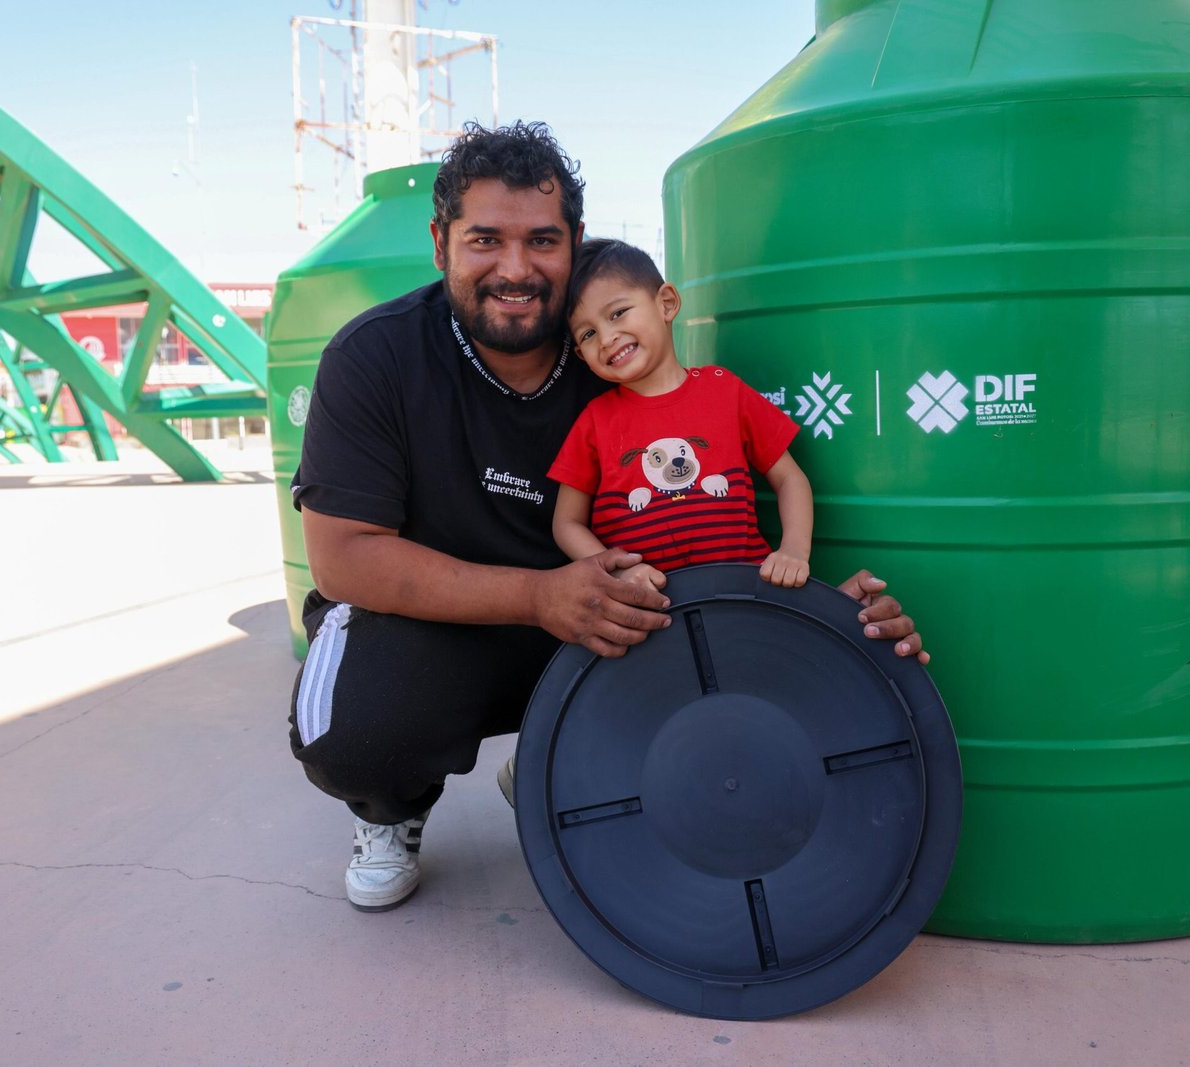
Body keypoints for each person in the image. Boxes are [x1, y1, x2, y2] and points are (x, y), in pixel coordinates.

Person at [289, 121, 926, 913]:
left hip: (613, 619)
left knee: (718, 683)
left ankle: (560, 761)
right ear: (440, 241)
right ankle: (389, 812)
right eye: (485, 238)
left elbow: (724, 526)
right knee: (354, 734)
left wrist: (828, 616)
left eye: (543, 241)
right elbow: (345, 558)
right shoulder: (374, 358)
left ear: (577, 245)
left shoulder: (625, 358)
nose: (516, 269)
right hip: (442, 623)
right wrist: (538, 594)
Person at [549, 239, 813, 590]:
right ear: (581, 354)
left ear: (666, 303)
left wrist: (793, 551)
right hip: (649, 613)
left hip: (744, 595)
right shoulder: (595, 420)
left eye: (617, 313)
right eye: (589, 333)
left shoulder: (725, 390)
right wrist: (617, 572)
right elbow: (566, 524)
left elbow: (790, 479)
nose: (608, 337)